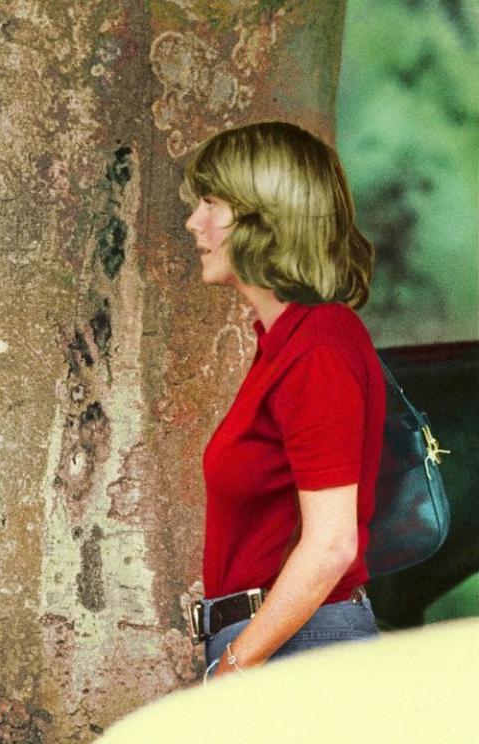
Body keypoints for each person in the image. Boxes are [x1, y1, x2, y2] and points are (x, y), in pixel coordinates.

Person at [180, 121, 385, 677]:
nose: (193, 222)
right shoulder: (284, 342)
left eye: (212, 203)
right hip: (280, 642)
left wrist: (234, 666)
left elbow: (331, 546)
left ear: (265, 218)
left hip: (301, 649)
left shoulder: (319, 347)